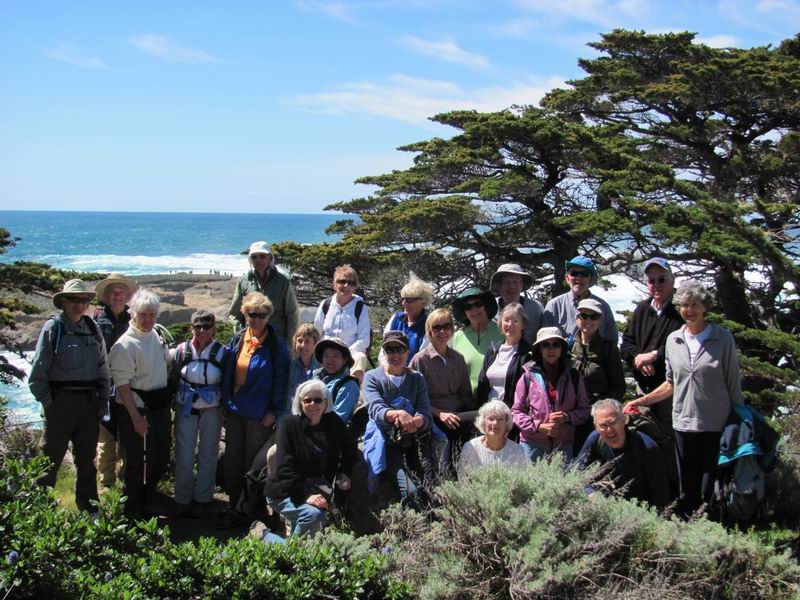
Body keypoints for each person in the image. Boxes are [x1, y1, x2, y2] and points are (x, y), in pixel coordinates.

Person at [626, 280, 744, 518]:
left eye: (694, 305)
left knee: (710, 483)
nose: (689, 310)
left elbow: (733, 381)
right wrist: (642, 401)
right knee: (686, 485)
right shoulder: (673, 340)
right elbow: (671, 383)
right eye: (684, 305)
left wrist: (738, 417)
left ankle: (712, 527)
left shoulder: (722, 339)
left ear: (704, 307)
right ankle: (687, 529)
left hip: (715, 422)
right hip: (682, 423)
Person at [28, 279, 110, 513]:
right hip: (60, 404)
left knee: (87, 462)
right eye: (74, 299)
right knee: (49, 460)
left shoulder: (93, 328)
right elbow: (37, 374)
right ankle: (38, 512)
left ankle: (90, 510)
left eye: (84, 300)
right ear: (63, 301)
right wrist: (50, 404)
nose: (79, 304)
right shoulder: (53, 328)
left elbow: (103, 367)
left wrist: (102, 402)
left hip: (88, 404)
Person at [252, 380, 357, 544]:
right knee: (314, 516)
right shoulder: (288, 424)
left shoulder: (332, 421)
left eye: (317, 400)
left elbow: (349, 447)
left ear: (326, 402)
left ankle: (286, 549)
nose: (313, 404)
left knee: (305, 537)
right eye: (307, 400)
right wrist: (306, 495)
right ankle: (264, 537)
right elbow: (284, 468)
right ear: (300, 403)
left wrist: (344, 472)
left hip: (318, 489)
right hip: (285, 490)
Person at [219, 292, 291, 527]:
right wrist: (224, 400)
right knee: (233, 460)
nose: (256, 319)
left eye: (261, 315)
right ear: (245, 315)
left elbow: (281, 382)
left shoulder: (276, 346)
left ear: (268, 316)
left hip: (260, 414)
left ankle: (251, 509)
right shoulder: (239, 339)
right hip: (235, 410)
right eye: (252, 315)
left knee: (253, 465)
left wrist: (274, 411)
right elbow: (228, 373)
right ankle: (234, 505)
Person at [108, 288, 172, 518]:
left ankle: (148, 501)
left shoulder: (155, 335)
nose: (147, 319)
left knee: (159, 457)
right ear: (133, 313)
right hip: (135, 410)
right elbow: (122, 384)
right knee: (135, 463)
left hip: (157, 407)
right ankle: (132, 511)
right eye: (143, 314)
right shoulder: (125, 345)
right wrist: (136, 417)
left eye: (151, 315)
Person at [363, 331, 434, 509]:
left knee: (429, 488)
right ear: (384, 352)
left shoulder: (417, 378)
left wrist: (413, 422)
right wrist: (399, 415)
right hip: (387, 443)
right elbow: (376, 409)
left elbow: (425, 412)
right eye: (390, 350)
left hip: (414, 441)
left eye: (400, 350)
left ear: (407, 351)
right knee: (411, 491)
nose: (395, 355)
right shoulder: (372, 377)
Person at [171, 310, 228, 518]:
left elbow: (227, 381)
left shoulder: (222, 353)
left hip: (212, 408)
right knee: (184, 452)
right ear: (191, 327)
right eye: (198, 326)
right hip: (185, 405)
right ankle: (182, 499)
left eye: (207, 326)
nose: (202, 331)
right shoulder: (180, 351)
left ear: (214, 328)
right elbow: (172, 377)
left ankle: (203, 499)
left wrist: (225, 407)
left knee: (209, 452)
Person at [620, 257, 684, 436]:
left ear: (672, 280)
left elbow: (686, 344)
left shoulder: (682, 309)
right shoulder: (642, 309)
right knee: (646, 434)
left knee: (671, 436)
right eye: (651, 280)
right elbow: (626, 343)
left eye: (661, 279)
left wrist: (655, 356)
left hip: (671, 388)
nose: (656, 284)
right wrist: (638, 358)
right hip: (643, 386)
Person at [512, 327, 590, 462]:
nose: (551, 349)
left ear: (562, 348)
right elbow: (516, 412)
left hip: (563, 445)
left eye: (556, 344)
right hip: (532, 445)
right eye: (546, 345)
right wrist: (538, 427)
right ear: (539, 349)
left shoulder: (574, 377)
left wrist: (567, 417)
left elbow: (585, 410)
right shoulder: (527, 377)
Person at [409, 308, 474, 470]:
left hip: (457, 416)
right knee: (446, 460)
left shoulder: (458, 359)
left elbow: (465, 394)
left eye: (446, 326)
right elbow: (415, 399)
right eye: (437, 327)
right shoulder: (420, 360)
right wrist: (440, 413)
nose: (442, 331)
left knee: (485, 419)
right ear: (429, 330)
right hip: (434, 416)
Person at [575, 399, 669, 510]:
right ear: (596, 426)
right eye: (603, 425)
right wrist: (590, 493)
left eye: (614, 422)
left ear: (624, 420)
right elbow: (576, 473)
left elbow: (660, 495)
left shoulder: (647, 448)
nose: (609, 430)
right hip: (605, 506)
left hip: (638, 511)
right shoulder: (595, 439)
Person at [94, 273, 138, 490]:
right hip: (105, 392)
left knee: (129, 444)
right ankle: (106, 490)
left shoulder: (135, 320)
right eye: (113, 291)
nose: (117, 295)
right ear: (107, 296)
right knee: (106, 445)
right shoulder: (96, 323)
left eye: (121, 291)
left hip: (130, 390)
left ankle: (127, 492)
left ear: (128, 295)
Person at [570, 298, 626, 451]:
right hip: (571, 416)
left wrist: (602, 411)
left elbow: (619, 386)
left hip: (596, 417)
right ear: (577, 318)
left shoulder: (609, 349)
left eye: (593, 317)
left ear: (600, 320)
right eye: (584, 316)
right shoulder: (566, 346)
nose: (588, 320)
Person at [229, 241, 300, 342]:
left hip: (276, 341)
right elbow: (234, 313)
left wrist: (290, 345)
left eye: (262, 256)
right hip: (250, 341)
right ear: (250, 260)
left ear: (270, 258)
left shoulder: (283, 281)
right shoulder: (244, 282)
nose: (258, 260)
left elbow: (292, 314)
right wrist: (241, 334)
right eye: (254, 257)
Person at [314, 264, 372, 382]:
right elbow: (317, 333)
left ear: (355, 287)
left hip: (351, 352)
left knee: (360, 358)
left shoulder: (360, 307)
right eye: (342, 281)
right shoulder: (326, 304)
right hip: (326, 351)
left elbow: (364, 339)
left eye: (351, 283)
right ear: (334, 284)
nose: (347, 286)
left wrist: (345, 354)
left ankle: (355, 394)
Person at [543, 256, 618, 342]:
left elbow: (612, 340)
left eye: (584, 274)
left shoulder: (603, 307)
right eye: (574, 273)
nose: (579, 277)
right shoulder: (553, 306)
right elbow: (545, 342)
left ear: (591, 279)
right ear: (567, 278)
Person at [475, 303, 535, 410]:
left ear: (523, 325)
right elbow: (482, 384)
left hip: (513, 414)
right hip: (488, 411)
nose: (510, 324)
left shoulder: (528, 354)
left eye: (515, 321)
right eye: (506, 320)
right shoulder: (492, 350)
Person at [451, 288, 503, 393]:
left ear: (485, 306)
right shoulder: (457, 338)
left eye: (478, 304)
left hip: (498, 398)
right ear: (464, 312)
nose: (474, 310)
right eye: (468, 307)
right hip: (468, 401)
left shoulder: (502, 331)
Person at [456, 400, 528, 477]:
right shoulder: (470, 447)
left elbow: (521, 481)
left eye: (500, 419)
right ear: (483, 422)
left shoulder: (517, 450)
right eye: (491, 419)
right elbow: (462, 477)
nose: (495, 423)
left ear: (506, 423)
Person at [378, 272, 432, 366]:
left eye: (409, 300)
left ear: (424, 301)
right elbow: (383, 351)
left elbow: (422, 359)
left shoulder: (428, 326)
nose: (404, 303)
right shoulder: (396, 319)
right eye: (403, 299)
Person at [490, 263, 544, 343]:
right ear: (499, 286)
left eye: (515, 282)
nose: (512, 287)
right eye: (507, 282)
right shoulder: (491, 310)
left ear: (521, 285)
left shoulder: (536, 308)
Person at [313, 337, 360, 425]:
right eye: (326, 355)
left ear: (345, 360)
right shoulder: (314, 379)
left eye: (335, 356)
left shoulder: (349, 385)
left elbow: (338, 420)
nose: (330, 360)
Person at [287, 323, 321, 406]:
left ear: (315, 344)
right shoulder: (289, 365)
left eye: (307, 341)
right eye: (300, 341)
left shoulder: (321, 367)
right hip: (291, 412)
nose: (303, 345)